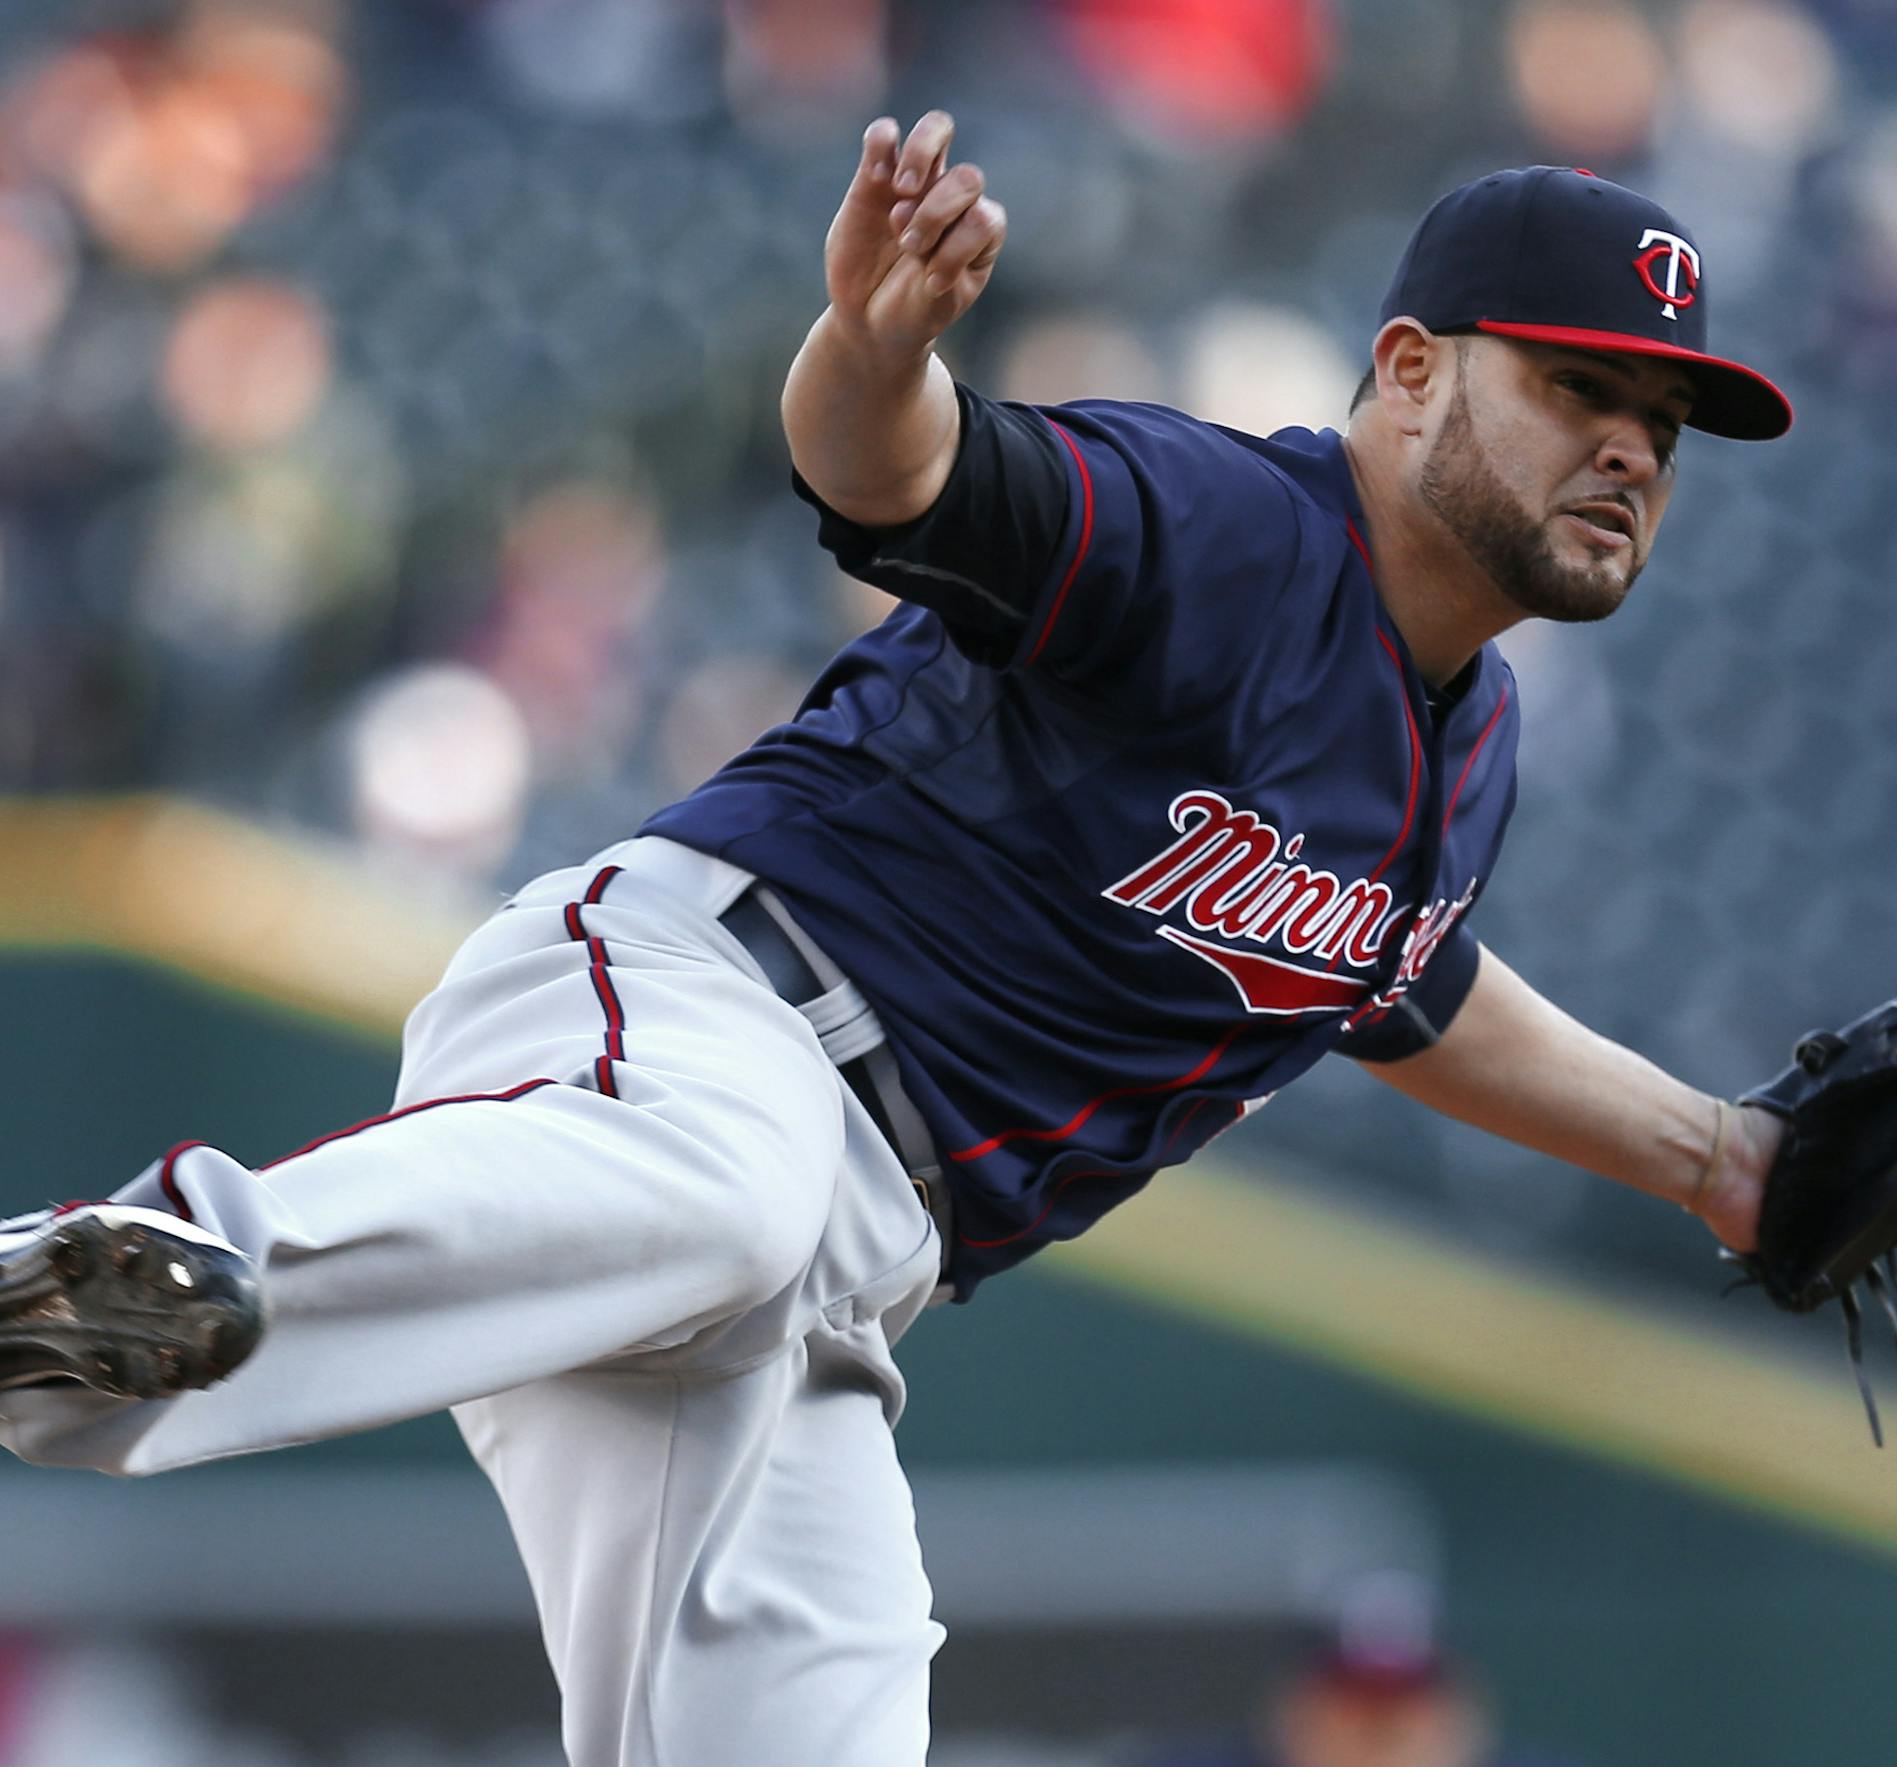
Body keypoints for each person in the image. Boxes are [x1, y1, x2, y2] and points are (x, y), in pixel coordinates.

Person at [0, 113, 1792, 1766]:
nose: (1631, 446)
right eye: (1579, 387)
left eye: (1663, 423)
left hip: (825, 1286)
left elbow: (1400, 986)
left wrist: (1720, 1158)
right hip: (710, 1018)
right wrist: (871, 350)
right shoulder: (1232, 531)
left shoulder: (1467, 753)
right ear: (1411, 370)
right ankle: (112, 1286)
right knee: (733, 1190)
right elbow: (909, 481)